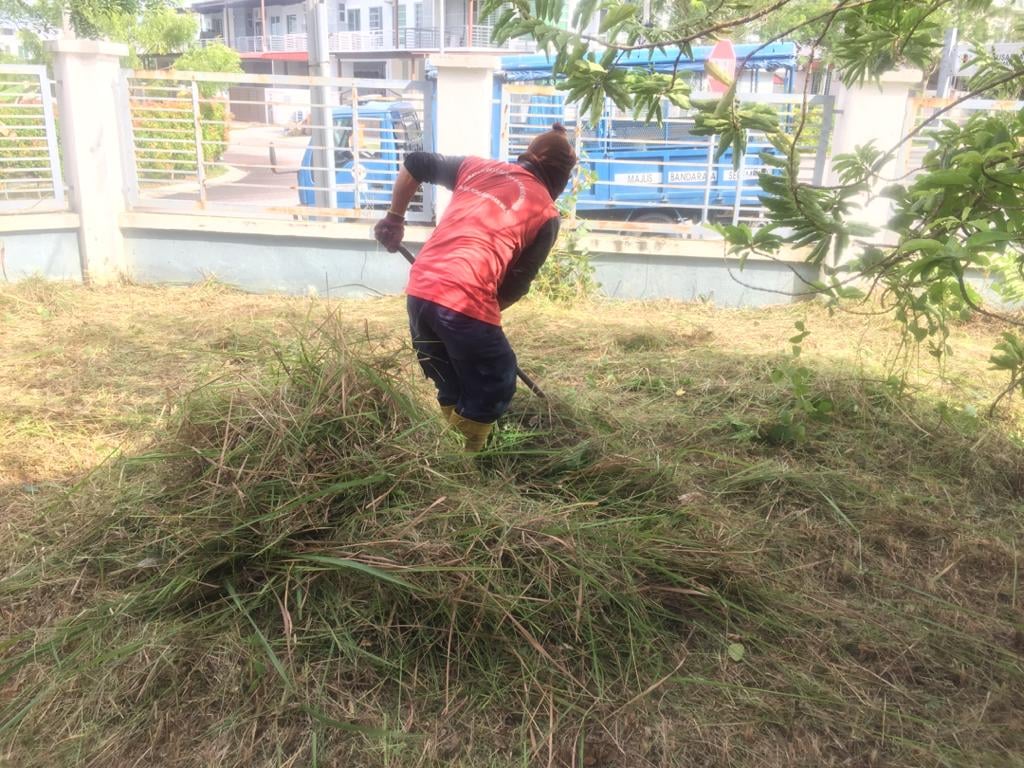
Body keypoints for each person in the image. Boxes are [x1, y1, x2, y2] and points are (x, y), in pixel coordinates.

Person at [374, 124, 576, 451]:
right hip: (462, 298)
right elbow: (515, 286)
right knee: (495, 381)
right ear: (561, 177)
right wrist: (477, 322)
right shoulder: (545, 213)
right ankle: (464, 462)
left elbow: (415, 163)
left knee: (451, 379)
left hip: (421, 291)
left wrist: (394, 218)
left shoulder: (476, 167)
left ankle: (449, 448)